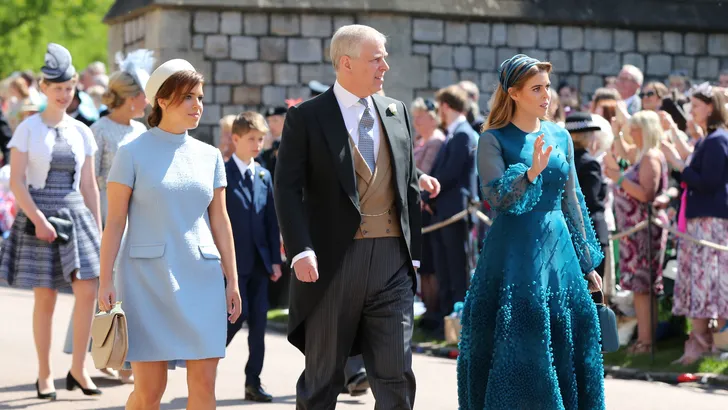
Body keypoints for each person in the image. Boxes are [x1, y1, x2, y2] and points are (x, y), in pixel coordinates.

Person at [275, 24, 440, 409]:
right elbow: (286, 188)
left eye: (384, 56)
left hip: (392, 262)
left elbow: (406, 182)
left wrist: (412, 257)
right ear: (346, 63)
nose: (386, 65)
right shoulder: (307, 117)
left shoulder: (396, 112)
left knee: (396, 374)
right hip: (332, 264)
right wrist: (300, 249)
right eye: (376, 58)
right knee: (323, 378)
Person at [457, 54, 605, 409]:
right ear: (514, 93)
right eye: (537, 88)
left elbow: (573, 201)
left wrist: (588, 264)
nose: (547, 96)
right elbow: (496, 197)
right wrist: (531, 173)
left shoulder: (560, 135)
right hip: (512, 255)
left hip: (560, 257)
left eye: (548, 88)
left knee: (564, 341)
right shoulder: (493, 139)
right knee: (519, 340)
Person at [97, 59, 242, 410]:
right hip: (146, 280)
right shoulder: (131, 153)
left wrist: (232, 280)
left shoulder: (210, 156)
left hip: (202, 277)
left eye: (200, 97)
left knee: (205, 386)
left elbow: (220, 220)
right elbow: (115, 222)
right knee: (150, 392)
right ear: (162, 100)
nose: (198, 106)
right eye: (188, 97)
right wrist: (105, 280)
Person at [0, 43, 103, 399]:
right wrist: (38, 219)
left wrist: (99, 230)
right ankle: (44, 372)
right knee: (44, 297)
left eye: (69, 88)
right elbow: (16, 181)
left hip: (75, 213)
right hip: (38, 213)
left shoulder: (82, 131)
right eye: (58, 88)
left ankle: (78, 368)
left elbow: (90, 185)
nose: (64, 94)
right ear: (43, 88)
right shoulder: (27, 129)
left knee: (88, 289)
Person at [61, 49, 154, 384]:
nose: (148, 101)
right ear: (130, 98)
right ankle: (95, 352)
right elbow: (88, 180)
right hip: (102, 214)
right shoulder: (97, 131)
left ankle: (122, 355)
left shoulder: (142, 132)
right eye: (144, 95)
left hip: (135, 217)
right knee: (103, 285)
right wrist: (92, 223)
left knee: (130, 285)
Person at [661, 82, 728, 364]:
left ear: (711, 108)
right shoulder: (708, 139)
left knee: (710, 281)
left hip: (710, 220)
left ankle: (709, 344)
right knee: (699, 280)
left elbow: (710, 182)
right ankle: (701, 342)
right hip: (700, 219)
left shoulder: (717, 140)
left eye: (697, 106)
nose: (692, 111)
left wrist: (679, 165)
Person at [224, 111, 282, 402]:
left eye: (261, 139)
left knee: (258, 325)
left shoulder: (264, 174)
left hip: (259, 263)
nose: (258, 145)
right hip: (232, 264)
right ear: (235, 139)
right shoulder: (222, 173)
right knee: (233, 318)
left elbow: (271, 220)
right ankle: (205, 363)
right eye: (251, 139)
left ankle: (253, 381)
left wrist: (274, 259)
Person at [604, 110, 668, 355]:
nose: (632, 132)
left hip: (644, 229)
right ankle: (644, 339)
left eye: (635, 128)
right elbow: (625, 150)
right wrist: (617, 131)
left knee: (643, 287)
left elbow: (646, 194)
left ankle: (645, 341)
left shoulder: (651, 157)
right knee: (641, 287)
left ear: (646, 130)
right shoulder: (643, 155)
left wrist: (620, 179)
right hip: (635, 231)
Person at [425, 85, 478, 332]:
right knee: (444, 268)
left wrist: (428, 192)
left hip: (456, 212)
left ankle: (458, 320)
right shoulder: (453, 134)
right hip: (442, 212)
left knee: (458, 270)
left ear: (446, 106)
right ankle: (446, 318)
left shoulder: (464, 134)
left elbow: (450, 174)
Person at [564, 112, 610, 279]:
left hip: (566, 229)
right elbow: (592, 199)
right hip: (590, 229)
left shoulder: (562, 160)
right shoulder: (589, 163)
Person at [256, 105, 287, 181]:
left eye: (275, 120)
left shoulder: (292, 142)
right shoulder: (266, 141)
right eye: (269, 121)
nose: (271, 125)